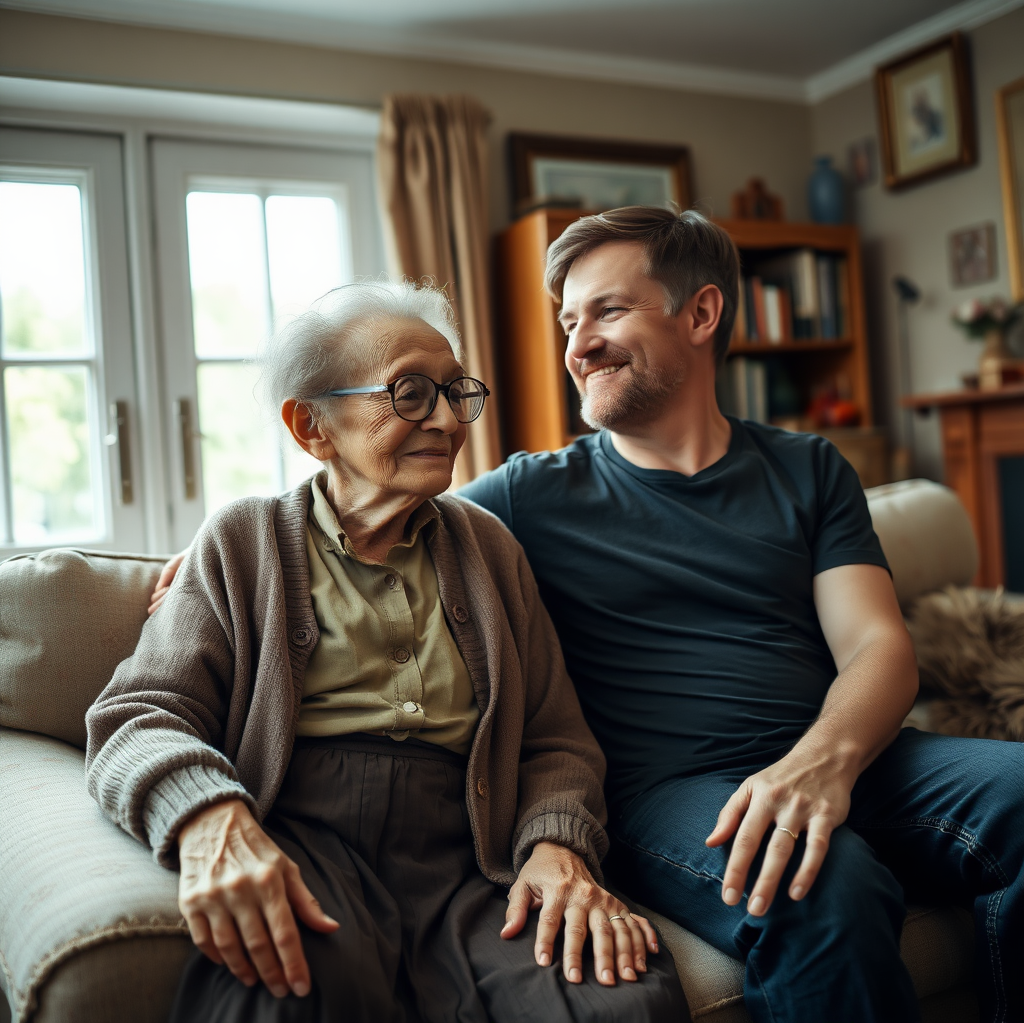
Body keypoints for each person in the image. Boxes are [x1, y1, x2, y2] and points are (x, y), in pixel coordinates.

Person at [457, 207, 1024, 1023]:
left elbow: (876, 644)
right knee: (818, 883)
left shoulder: (808, 468)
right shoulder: (526, 494)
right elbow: (364, 529)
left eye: (608, 311)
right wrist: (223, 549)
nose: (577, 346)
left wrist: (821, 764)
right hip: (675, 793)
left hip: (848, 759)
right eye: (569, 322)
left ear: (702, 313)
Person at [87, 280, 683, 1023]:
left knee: (620, 1000)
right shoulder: (246, 541)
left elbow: (554, 739)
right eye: (408, 392)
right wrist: (209, 818)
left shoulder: (489, 547)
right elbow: (138, 715)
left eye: (454, 391)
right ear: (312, 426)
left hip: (472, 856)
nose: (444, 418)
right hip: (306, 842)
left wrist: (555, 845)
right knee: (286, 994)